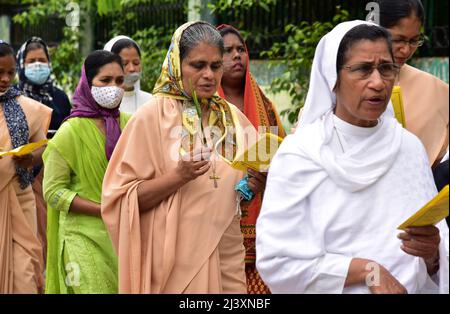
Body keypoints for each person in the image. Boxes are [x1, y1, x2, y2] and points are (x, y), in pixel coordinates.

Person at [256, 21, 449, 294]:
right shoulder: (301, 154)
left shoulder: (408, 148)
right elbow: (278, 261)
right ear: (332, 78)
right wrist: (368, 271)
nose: (378, 82)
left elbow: (434, 257)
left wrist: (432, 254)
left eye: (386, 68)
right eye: (362, 69)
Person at [101, 21, 258, 294]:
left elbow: (258, 173)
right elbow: (120, 199)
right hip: (173, 262)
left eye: (215, 66)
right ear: (176, 63)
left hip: (227, 251)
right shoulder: (150, 118)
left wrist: (253, 184)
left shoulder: (233, 119)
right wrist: (178, 177)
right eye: (198, 66)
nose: (209, 75)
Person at [43, 50, 131, 293]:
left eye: (119, 81)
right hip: (82, 235)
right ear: (87, 83)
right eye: (105, 81)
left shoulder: (131, 124)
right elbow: (53, 192)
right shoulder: (69, 132)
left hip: (124, 235)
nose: (114, 88)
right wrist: (102, 209)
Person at [217, 24, 286, 294]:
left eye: (240, 50)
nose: (236, 56)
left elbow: (280, 147)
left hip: (263, 216)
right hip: (221, 214)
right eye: (227, 51)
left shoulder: (266, 105)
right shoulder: (204, 108)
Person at [16, 37, 72, 267]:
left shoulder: (59, 97)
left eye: (42, 60)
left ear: (49, 64)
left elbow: (69, 131)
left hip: (55, 172)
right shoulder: (14, 97)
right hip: (24, 173)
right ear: (21, 64)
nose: (37, 65)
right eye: (31, 61)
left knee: (54, 234)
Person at [0, 40, 52, 293]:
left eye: (10, 72)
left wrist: (32, 157)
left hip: (21, 200)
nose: (5, 79)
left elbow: (44, 146)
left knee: (26, 274)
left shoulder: (27, 107)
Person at [375, 0, 448, 169]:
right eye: (398, 40)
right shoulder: (344, 82)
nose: (406, 50)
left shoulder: (438, 92)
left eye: (414, 40)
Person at [104, 36, 152, 114]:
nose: (132, 69)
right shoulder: (103, 103)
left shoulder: (151, 101)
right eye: (124, 64)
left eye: (136, 63)